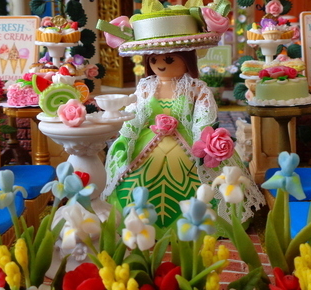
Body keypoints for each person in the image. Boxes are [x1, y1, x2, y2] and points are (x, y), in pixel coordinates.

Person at [102, 49, 264, 228]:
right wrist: (127, 137)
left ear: (187, 60)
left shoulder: (195, 87)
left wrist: (203, 141)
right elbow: (136, 113)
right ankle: (137, 220)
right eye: (154, 59)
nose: (160, 65)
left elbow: (203, 117)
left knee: (205, 175)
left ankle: (200, 220)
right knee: (130, 171)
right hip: (148, 139)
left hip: (187, 139)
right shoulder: (146, 86)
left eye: (169, 59)